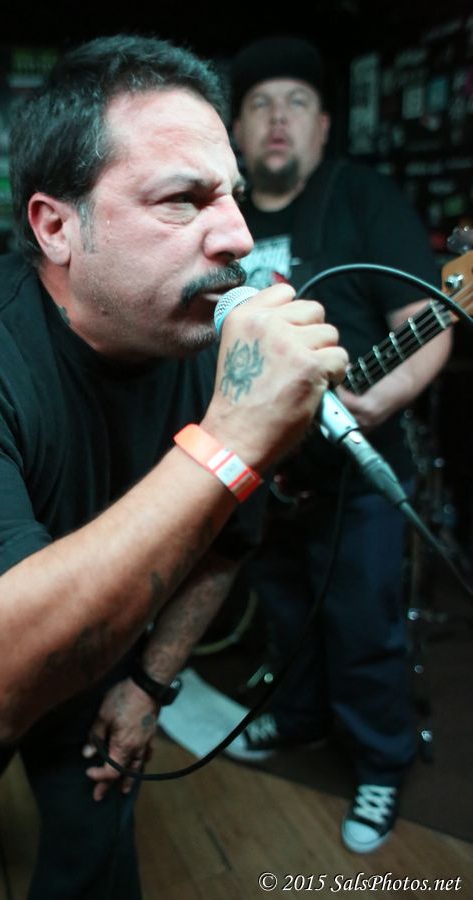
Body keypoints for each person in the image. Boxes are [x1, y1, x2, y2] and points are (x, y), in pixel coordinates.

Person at [0, 34, 348, 900]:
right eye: (183, 200)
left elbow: (227, 539)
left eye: (232, 197)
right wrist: (233, 434)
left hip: (101, 665)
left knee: (96, 855)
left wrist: (150, 683)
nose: (238, 236)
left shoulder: (200, 343)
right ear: (56, 226)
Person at [224, 35, 453, 853]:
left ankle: (383, 763)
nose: (277, 119)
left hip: (355, 470)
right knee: (285, 613)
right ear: (237, 130)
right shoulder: (222, 214)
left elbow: (427, 326)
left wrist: (377, 398)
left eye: (296, 103)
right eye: (259, 105)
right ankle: (298, 716)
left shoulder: (362, 199)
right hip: (259, 467)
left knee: (364, 626)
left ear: (323, 126)